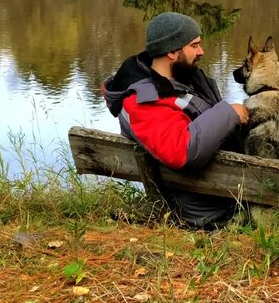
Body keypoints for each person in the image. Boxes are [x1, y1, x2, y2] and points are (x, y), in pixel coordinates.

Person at [102, 12, 250, 229]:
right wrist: (229, 113)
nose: (201, 51)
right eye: (194, 45)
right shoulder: (143, 101)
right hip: (207, 213)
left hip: (223, 191)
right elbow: (182, 150)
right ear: (172, 51)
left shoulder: (180, 78)